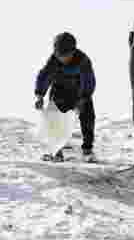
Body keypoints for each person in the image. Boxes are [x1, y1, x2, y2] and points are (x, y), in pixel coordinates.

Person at [34, 32, 97, 161]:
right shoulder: (53, 60)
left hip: (79, 92)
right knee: (54, 117)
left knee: (88, 117)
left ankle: (87, 150)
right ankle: (56, 150)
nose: (62, 58)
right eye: (59, 55)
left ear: (73, 51)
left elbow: (89, 81)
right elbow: (44, 76)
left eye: (65, 55)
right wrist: (39, 95)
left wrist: (84, 99)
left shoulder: (82, 60)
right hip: (59, 92)